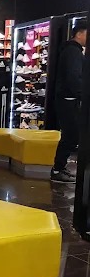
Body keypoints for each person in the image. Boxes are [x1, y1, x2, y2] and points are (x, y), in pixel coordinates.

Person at [51, 20, 86, 183]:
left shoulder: (72, 50)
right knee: (71, 135)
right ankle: (57, 169)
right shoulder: (73, 52)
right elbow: (73, 77)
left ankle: (59, 168)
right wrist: (82, 94)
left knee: (71, 135)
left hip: (67, 99)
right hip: (68, 100)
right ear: (79, 34)